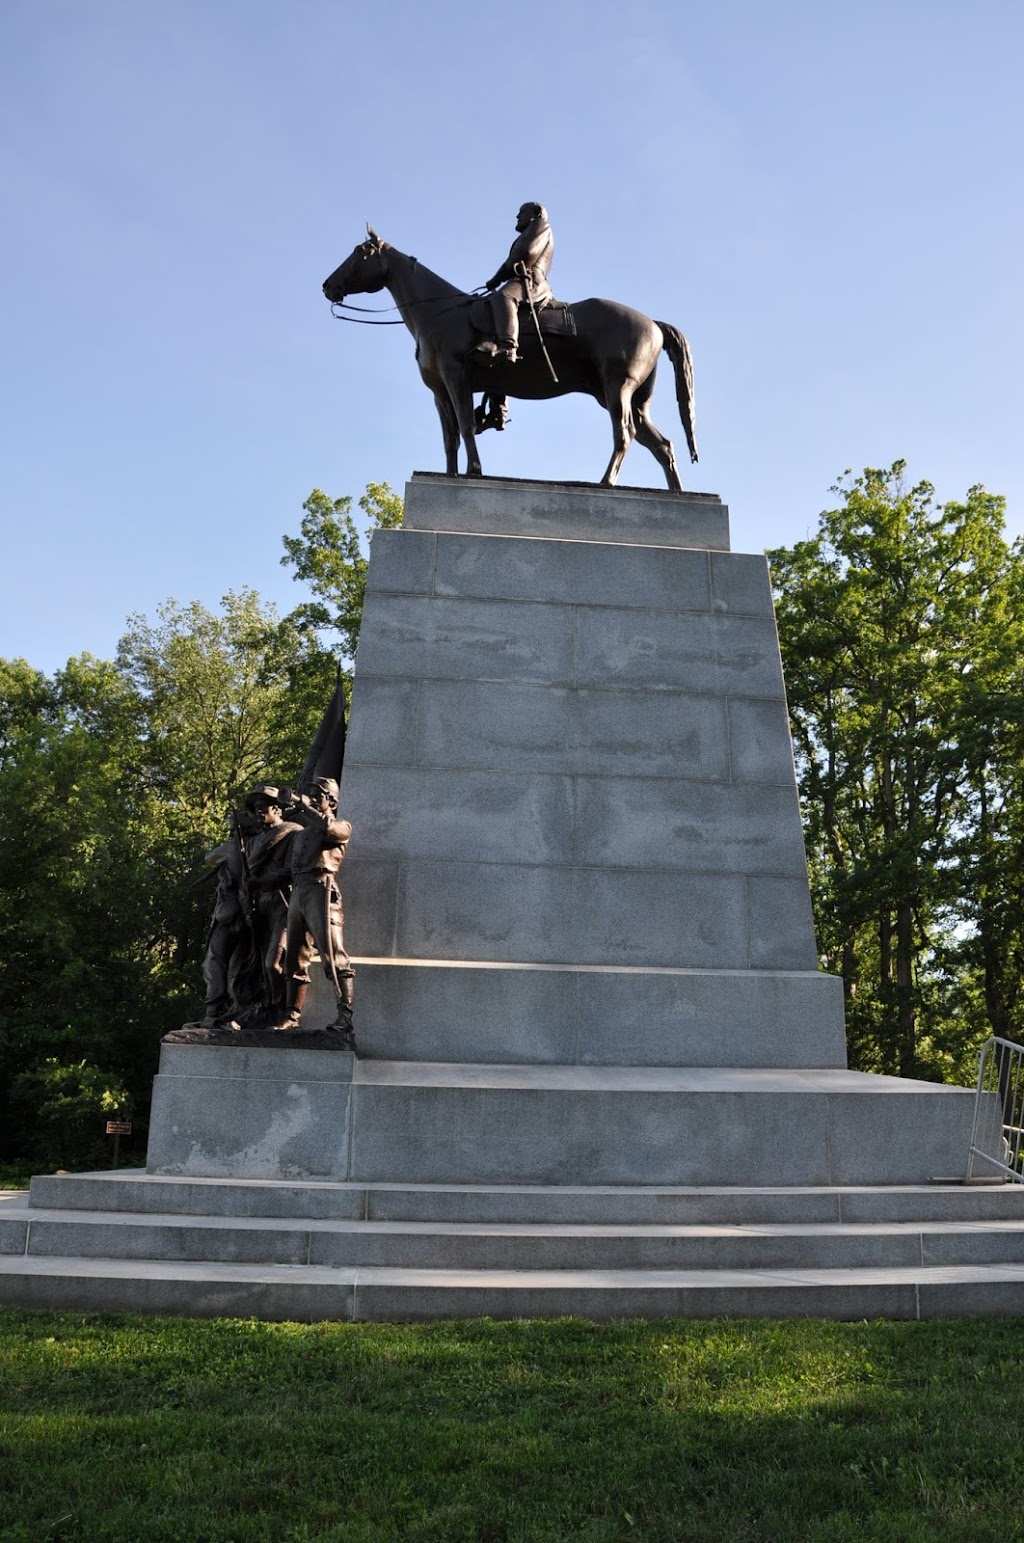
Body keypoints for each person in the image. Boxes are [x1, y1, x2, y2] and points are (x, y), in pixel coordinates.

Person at [275, 777, 356, 1046]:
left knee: (334, 956)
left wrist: (303, 806)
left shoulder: (341, 826)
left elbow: (328, 827)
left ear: (331, 800)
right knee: (294, 958)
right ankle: (291, 1015)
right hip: (298, 891)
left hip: (322, 890)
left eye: (316, 795)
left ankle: (344, 1017)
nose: (309, 797)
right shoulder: (300, 833)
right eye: (308, 794)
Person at [243, 784, 302, 1022]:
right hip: (260, 904)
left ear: (277, 808)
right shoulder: (253, 842)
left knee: (273, 963)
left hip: (283, 902)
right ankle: (268, 1006)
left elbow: (294, 869)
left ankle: (282, 1009)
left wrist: (262, 880)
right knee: (258, 963)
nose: (258, 811)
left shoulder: (293, 833)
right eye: (256, 808)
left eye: (263, 806)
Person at [475, 202, 554, 364]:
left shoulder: (541, 225)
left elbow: (525, 253)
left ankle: (508, 347)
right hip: (521, 278)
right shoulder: (530, 230)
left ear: (537, 213)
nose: (518, 216)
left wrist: (497, 279)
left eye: (522, 212)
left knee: (502, 297)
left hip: (531, 281)